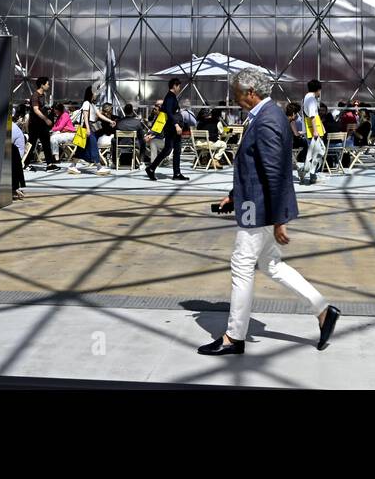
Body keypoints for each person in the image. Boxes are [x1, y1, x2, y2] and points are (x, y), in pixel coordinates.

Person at [198, 67, 340, 357]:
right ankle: (323, 310)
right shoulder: (268, 116)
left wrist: (278, 220)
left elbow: (274, 173)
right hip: (256, 203)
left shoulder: (266, 121)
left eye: (237, 94)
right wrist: (233, 195)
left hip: (260, 210)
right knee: (271, 265)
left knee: (241, 266)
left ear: (251, 93)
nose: (234, 99)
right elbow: (256, 168)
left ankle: (233, 337)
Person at [145, 78, 190, 182]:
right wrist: (176, 125)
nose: (179, 88)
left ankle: (156, 169)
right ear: (174, 86)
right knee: (171, 149)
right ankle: (154, 169)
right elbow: (169, 112)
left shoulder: (171, 97)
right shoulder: (170, 97)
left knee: (171, 149)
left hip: (172, 128)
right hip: (172, 128)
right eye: (179, 86)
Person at [27, 76, 59, 171]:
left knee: (46, 144)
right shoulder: (35, 96)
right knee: (31, 144)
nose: (48, 86)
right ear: (42, 85)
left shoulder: (43, 95)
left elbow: (41, 108)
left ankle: (49, 164)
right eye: (47, 84)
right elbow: (36, 110)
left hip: (41, 125)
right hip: (35, 124)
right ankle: (25, 163)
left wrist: (47, 110)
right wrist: (46, 119)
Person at [299, 80, 325, 185]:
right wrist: (315, 131)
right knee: (316, 153)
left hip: (309, 130)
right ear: (318, 89)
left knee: (313, 153)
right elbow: (312, 116)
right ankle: (307, 173)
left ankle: (309, 174)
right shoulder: (311, 99)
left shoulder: (307, 97)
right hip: (312, 131)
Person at [10, 105, 31, 199]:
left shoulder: (12, 128)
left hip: (15, 158)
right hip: (13, 156)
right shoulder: (12, 126)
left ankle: (14, 188)